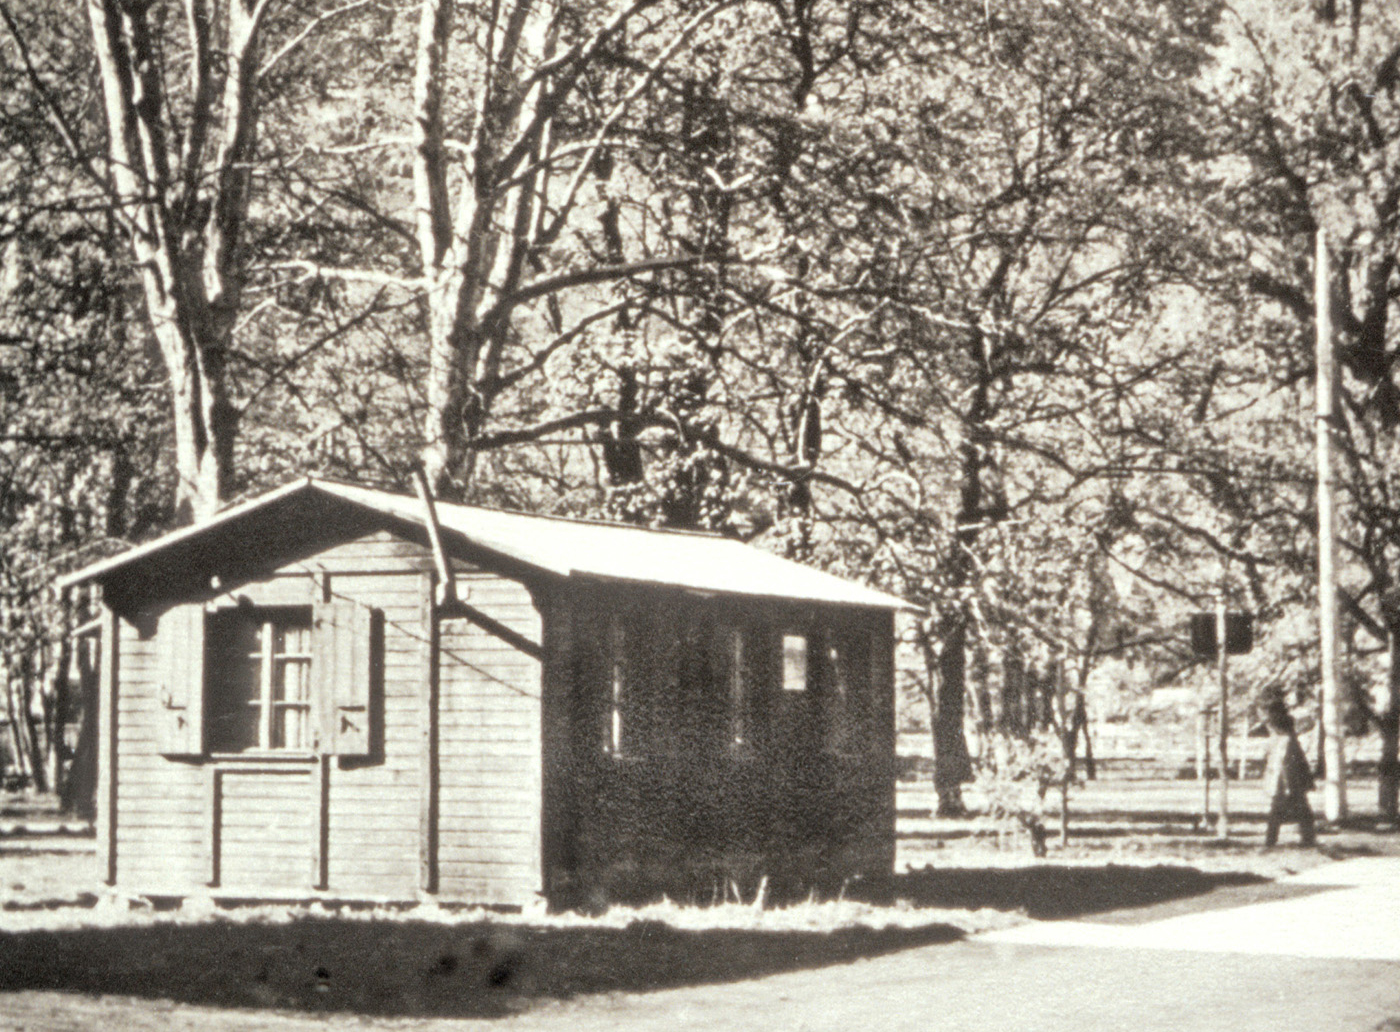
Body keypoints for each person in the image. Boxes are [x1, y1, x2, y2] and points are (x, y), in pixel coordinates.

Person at [1261, 703, 1316, 847]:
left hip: (1289, 782)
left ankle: (1272, 841)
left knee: (1292, 812)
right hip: (1287, 783)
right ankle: (1272, 841)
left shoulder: (1284, 741)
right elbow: (1282, 764)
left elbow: (1286, 764)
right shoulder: (1284, 741)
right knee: (1297, 812)